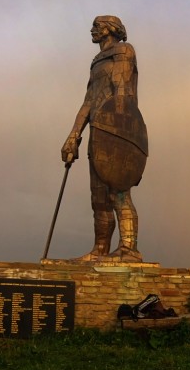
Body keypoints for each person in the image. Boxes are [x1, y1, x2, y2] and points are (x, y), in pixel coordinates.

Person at [61, 15, 148, 261]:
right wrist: (74, 135)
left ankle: (129, 249)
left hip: (119, 131)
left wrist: (119, 132)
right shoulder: (97, 61)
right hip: (99, 130)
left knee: (118, 192)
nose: (92, 30)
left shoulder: (123, 51)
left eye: (96, 26)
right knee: (98, 197)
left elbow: (121, 93)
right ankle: (100, 250)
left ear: (110, 29)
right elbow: (89, 101)